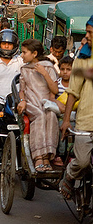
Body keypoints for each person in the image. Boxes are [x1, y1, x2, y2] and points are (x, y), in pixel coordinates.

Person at [60, 16, 93, 199]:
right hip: (86, 121)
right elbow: (73, 91)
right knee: (82, 161)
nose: (86, 37)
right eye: (87, 32)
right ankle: (70, 175)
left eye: (90, 33)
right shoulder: (83, 57)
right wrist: (66, 120)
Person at [17, 39, 59, 172]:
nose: (22, 55)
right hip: (30, 103)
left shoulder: (48, 66)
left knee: (51, 115)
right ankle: (38, 156)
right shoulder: (24, 69)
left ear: (34, 53)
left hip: (45, 103)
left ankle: (47, 155)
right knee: (40, 116)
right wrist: (22, 100)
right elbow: (22, 90)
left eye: (24, 52)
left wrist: (44, 73)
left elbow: (55, 90)